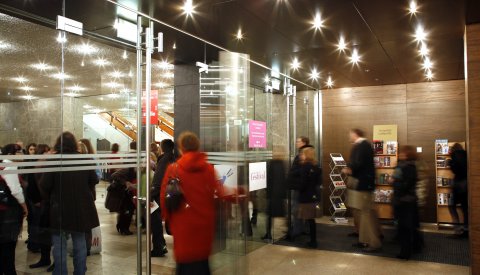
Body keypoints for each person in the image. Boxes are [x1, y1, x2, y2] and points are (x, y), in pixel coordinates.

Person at [160, 132, 229, 275]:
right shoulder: (208, 169)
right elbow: (219, 194)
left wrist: (168, 220)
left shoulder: (174, 169)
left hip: (182, 227)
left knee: (184, 267)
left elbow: (164, 199)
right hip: (204, 227)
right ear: (197, 146)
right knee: (202, 266)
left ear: (180, 148)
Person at [39, 132, 100, 275]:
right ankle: (80, 272)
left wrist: (50, 199)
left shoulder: (54, 160)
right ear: (74, 143)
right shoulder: (85, 159)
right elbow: (94, 180)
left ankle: (60, 272)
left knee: (59, 244)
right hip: (81, 208)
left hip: (59, 209)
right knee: (79, 242)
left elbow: (44, 185)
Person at [342, 129, 381, 252]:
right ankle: (368, 238)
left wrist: (349, 169)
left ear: (355, 134)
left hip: (363, 184)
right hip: (364, 184)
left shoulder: (363, 146)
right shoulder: (364, 145)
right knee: (365, 212)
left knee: (365, 213)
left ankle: (372, 242)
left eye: (350, 134)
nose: (349, 136)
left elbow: (358, 163)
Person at [0, 144, 28, 275]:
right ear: (11, 154)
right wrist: (24, 206)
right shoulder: (10, 166)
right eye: (19, 152)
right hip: (8, 212)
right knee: (9, 246)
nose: (22, 154)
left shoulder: (3, 164)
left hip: (3, 211)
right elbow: (15, 190)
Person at [391, 145, 421, 259]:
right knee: (411, 226)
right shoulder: (412, 166)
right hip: (410, 200)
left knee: (405, 227)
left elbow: (404, 185)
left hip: (403, 200)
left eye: (402, 153)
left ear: (406, 154)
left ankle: (405, 252)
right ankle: (416, 246)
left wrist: (393, 181)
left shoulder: (405, 167)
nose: (400, 154)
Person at [290, 147, 321, 248]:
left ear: (306, 155)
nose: (301, 156)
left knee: (309, 219)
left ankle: (313, 241)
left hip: (306, 196)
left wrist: (295, 187)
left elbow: (303, 183)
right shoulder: (316, 166)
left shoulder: (305, 167)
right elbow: (318, 182)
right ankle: (313, 240)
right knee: (311, 219)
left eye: (303, 154)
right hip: (313, 195)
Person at [29, 144, 54, 270]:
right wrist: (37, 200)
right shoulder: (38, 165)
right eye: (47, 151)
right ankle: (45, 259)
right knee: (43, 232)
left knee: (53, 233)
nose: (49, 153)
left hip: (51, 203)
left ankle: (55, 261)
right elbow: (33, 185)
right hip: (43, 203)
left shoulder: (50, 165)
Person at [150, 139, 175, 257]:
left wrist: (151, 194)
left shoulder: (164, 159)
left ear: (163, 147)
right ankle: (161, 245)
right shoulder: (173, 158)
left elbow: (158, 180)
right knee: (157, 220)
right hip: (167, 194)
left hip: (157, 194)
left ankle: (159, 247)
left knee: (155, 220)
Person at [287, 136, 313, 240]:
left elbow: (301, 170)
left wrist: (292, 173)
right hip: (303, 186)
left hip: (299, 186)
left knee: (296, 208)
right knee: (301, 209)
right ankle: (302, 229)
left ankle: (297, 230)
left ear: (304, 142)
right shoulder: (309, 152)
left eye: (298, 141)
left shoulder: (303, 154)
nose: (296, 142)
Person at [110, 141, 138, 235]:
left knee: (127, 209)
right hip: (123, 191)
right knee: (127, 209)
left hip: (126, 191)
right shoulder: (127, 170)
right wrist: (126, 183)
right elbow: (114, 175)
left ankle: (122, 227)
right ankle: (123, 228)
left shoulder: (132, 169)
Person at [448, 143, 468, 238]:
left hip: (458, 185)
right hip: (466, 185)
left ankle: (457, 230)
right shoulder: (466, 155)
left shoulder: (454, 156)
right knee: (465, 208)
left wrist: (450, 163)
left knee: (451, 206)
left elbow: (456, 170)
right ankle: (466, 229)